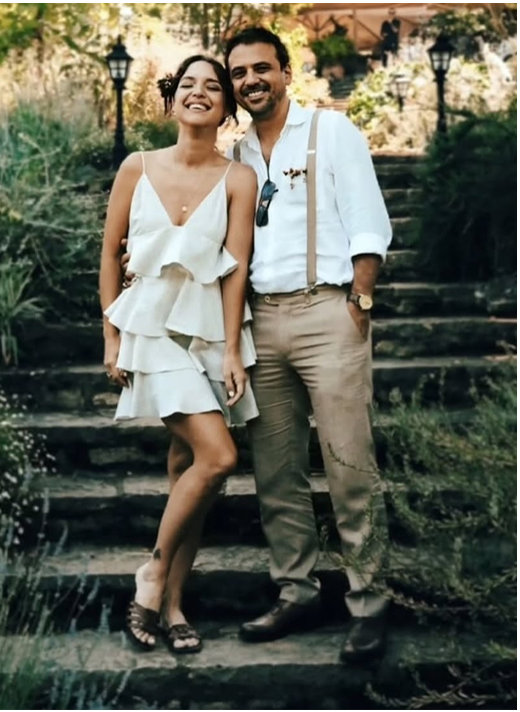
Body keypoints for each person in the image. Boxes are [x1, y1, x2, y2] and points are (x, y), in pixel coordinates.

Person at [223, 27, 393, 663]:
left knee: (350, 466)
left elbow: (369, 222)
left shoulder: (331, 131)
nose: (250, 81)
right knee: (276, 471)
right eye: (239, 73)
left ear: (286, 72)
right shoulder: (236, 154)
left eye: (261, 68)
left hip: (329, 312)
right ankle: (296, 590)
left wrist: (359, 303)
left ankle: (370, 602)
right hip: (261, 322)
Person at [99, 54, 258, 654]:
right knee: (219, 456)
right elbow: (109, 253)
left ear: (226, 107)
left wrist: (232, 350)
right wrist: (111, 335)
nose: (199, 92)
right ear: (173, 98)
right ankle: (154, 574)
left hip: (208, 334)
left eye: (213, 86)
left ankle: (173, 606)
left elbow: (235, 270)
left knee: (188, 470)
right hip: (151, 331)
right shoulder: (136, 166)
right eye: (188, 83)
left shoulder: (239, 178)